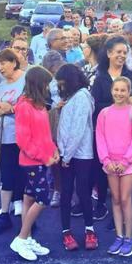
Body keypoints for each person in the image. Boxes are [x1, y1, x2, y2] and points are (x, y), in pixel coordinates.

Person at [91, 36, 132, 222]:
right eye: (118, 52)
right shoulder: (100, 79)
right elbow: (96, 105)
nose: (122, 56)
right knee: (108, 177)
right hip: (110, 137)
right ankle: (114, 217)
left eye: (125, 52)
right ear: (108, 53)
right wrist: (117, 105)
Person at [11, 66, 59, 261]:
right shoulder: (24, 106)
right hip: (32, 162)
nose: (48, 88)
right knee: (42, 199)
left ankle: (27, 238)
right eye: (46, 84)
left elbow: (44, 134)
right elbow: (23, 140)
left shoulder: (38, 105)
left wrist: (53, 150)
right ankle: (21, 238)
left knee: (29, 199)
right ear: (39, 84)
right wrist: (43, 156)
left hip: (40, 160)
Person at [96, 76, 132, 256]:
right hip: (110, 163)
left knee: (125, 199)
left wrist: (125, 161)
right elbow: (100, 138)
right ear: (111, 91)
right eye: (116, 90)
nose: (119, 93)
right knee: (115, 200)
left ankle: (129, 238)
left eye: (123, 90)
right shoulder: (104, 113)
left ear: (128, 92)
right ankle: (119, 235)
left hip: (128, 164)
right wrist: (106, 160)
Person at [55, 64, 98, 251]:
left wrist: (66, 155)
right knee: (65, 193)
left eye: (63, 84)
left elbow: (78, 129)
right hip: (68, 153)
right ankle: (66, 231)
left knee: (82, 192)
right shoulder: (72, 97)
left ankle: (90, 229)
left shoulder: (81, 97)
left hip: (79, 154)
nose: (61, 87)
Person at [0, 49, 27, 234]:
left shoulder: (26, 80)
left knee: (23, 173)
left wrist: (11, 109)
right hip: (4, 136)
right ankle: (4, 213)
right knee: (6, 174)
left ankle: (25, 215)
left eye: (3, 63)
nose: (0, 68)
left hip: (24, 135)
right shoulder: (0, 87)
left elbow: (34, 104)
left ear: (13, 62)